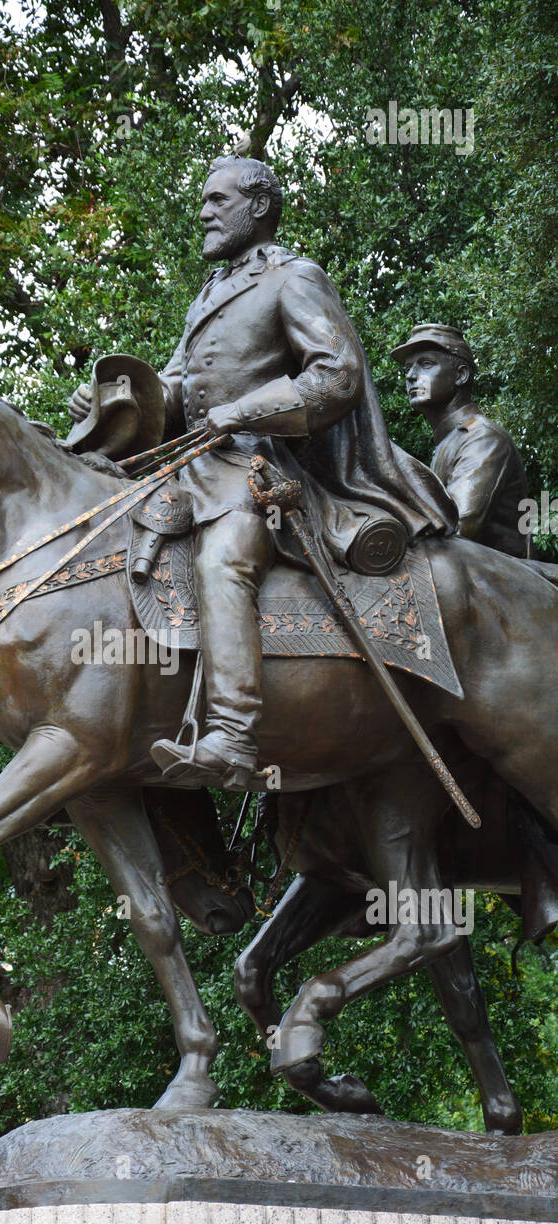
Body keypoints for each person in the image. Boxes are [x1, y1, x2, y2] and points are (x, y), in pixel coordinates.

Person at [70, 156, 457, 788]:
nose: (203, 213)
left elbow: (337, 375)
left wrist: (242, 411)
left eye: (217, 201)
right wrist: (117, 399)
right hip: (189, 466)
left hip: (256, 469)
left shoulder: (295, 278)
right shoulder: (209, 294)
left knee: (223, 560)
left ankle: (231, 736)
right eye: (204, 200)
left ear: (257, 208)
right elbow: (175, 390)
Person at [391, 323, 530, 557]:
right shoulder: (449, 442)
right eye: (408, 367)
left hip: (500, 585)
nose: (411, 375)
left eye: (426, 364)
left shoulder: (483, 438)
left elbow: (454, 527)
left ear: (461, 375)